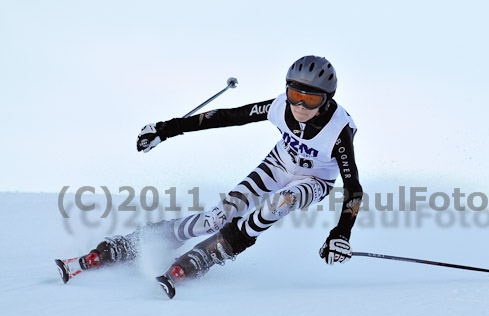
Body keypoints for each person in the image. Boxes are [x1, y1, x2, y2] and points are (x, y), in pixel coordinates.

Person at [70, 55, 363, 298]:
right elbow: (226, 117)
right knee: (217, 217)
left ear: (325, 101)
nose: (299, 106)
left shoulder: (339, 131)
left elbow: (353, 189)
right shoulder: (279, 107)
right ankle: (138, 241)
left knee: (279, 203)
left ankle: (213, 252)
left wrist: (341, 234)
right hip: (278, 164)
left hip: (314, 181)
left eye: (310, 99)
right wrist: (166, 128)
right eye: (294, 95)